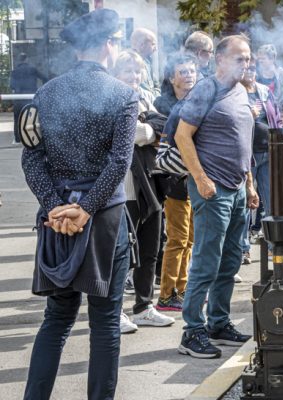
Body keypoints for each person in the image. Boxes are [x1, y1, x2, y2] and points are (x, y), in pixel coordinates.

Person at [21, 9, 137, 399]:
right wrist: (85, 209)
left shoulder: (46, 92)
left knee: (56, 320)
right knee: (105, 323)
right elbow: (119, 162)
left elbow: (31, 157)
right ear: (108, 44)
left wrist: (55, 206)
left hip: (57, 218)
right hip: (103, 219)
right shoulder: (124, 93)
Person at [174, 35, 258, 358]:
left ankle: (218, 322)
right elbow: (183, 136)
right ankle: (191, 330)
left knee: (231, 258)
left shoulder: (241, 91)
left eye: (248, 58)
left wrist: (249, 185)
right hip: (212, 188)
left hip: (237, 188)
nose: (246, 63)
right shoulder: (206, 89)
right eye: (240, 58)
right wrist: (200, 177)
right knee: (206, 262)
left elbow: (244, 144)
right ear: (220, 59)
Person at [112, 49, 175, 333]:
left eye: (137, 71)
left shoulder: (145, 98)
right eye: (128, 71)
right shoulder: (112, 98)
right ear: (116, 73)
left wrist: (148, 130)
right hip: (123, 188)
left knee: (150, 248)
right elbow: (134, 134)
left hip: (149, 183)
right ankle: (115, 311)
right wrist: (150, 132)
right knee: (124, 251)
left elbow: (165, 125)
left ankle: (143, 306)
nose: (134, 76)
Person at [153, 53, 198, 312]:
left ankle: (181, 289)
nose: (189, 75)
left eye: (192, 70)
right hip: (174, 182)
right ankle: (167, 294)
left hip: (192, 180)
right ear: (172, 78)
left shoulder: (195, 102)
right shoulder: (168, 107)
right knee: (177, 239)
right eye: (183, 71)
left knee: (189, 239)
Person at [240, 57, 279, 256]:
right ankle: (244, 248)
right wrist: (249, 115)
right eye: (246, 68)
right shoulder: (235, 92)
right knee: (247, 200)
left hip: (268, 151)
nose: (250, 72)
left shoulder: (264, 91)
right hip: (247, 154)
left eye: (253, 69)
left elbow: (276, 117)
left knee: (271, 199)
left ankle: (274, 245)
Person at [10, 53, 47, 144]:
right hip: (31, 97)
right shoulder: (32, 69)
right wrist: (42, 89)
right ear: (26, 59)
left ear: (19, 60)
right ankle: (33, 139)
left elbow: (11, 85)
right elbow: (44, 78)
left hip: (18, 98)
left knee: (17, 119)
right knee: (34, 118)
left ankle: (18, 139)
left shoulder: (14, 71)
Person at [130, 28, 159, 96]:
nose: (156, 48)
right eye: (153, 44)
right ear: (142, 45)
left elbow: (156, 85)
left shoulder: (147, 62)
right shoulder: (130, 63)